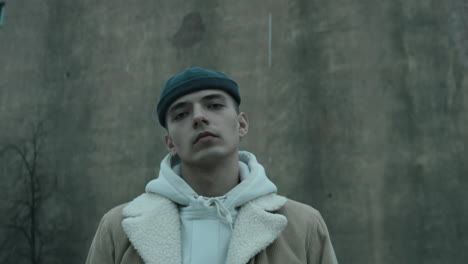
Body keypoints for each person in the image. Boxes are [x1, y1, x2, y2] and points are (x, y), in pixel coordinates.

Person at [86, 67, 338, 264]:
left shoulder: (303, 225)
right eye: (181, 114)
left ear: (241, 125)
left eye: (214, 105)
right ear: (170, 143)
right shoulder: (118, 229)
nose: (199, 117)